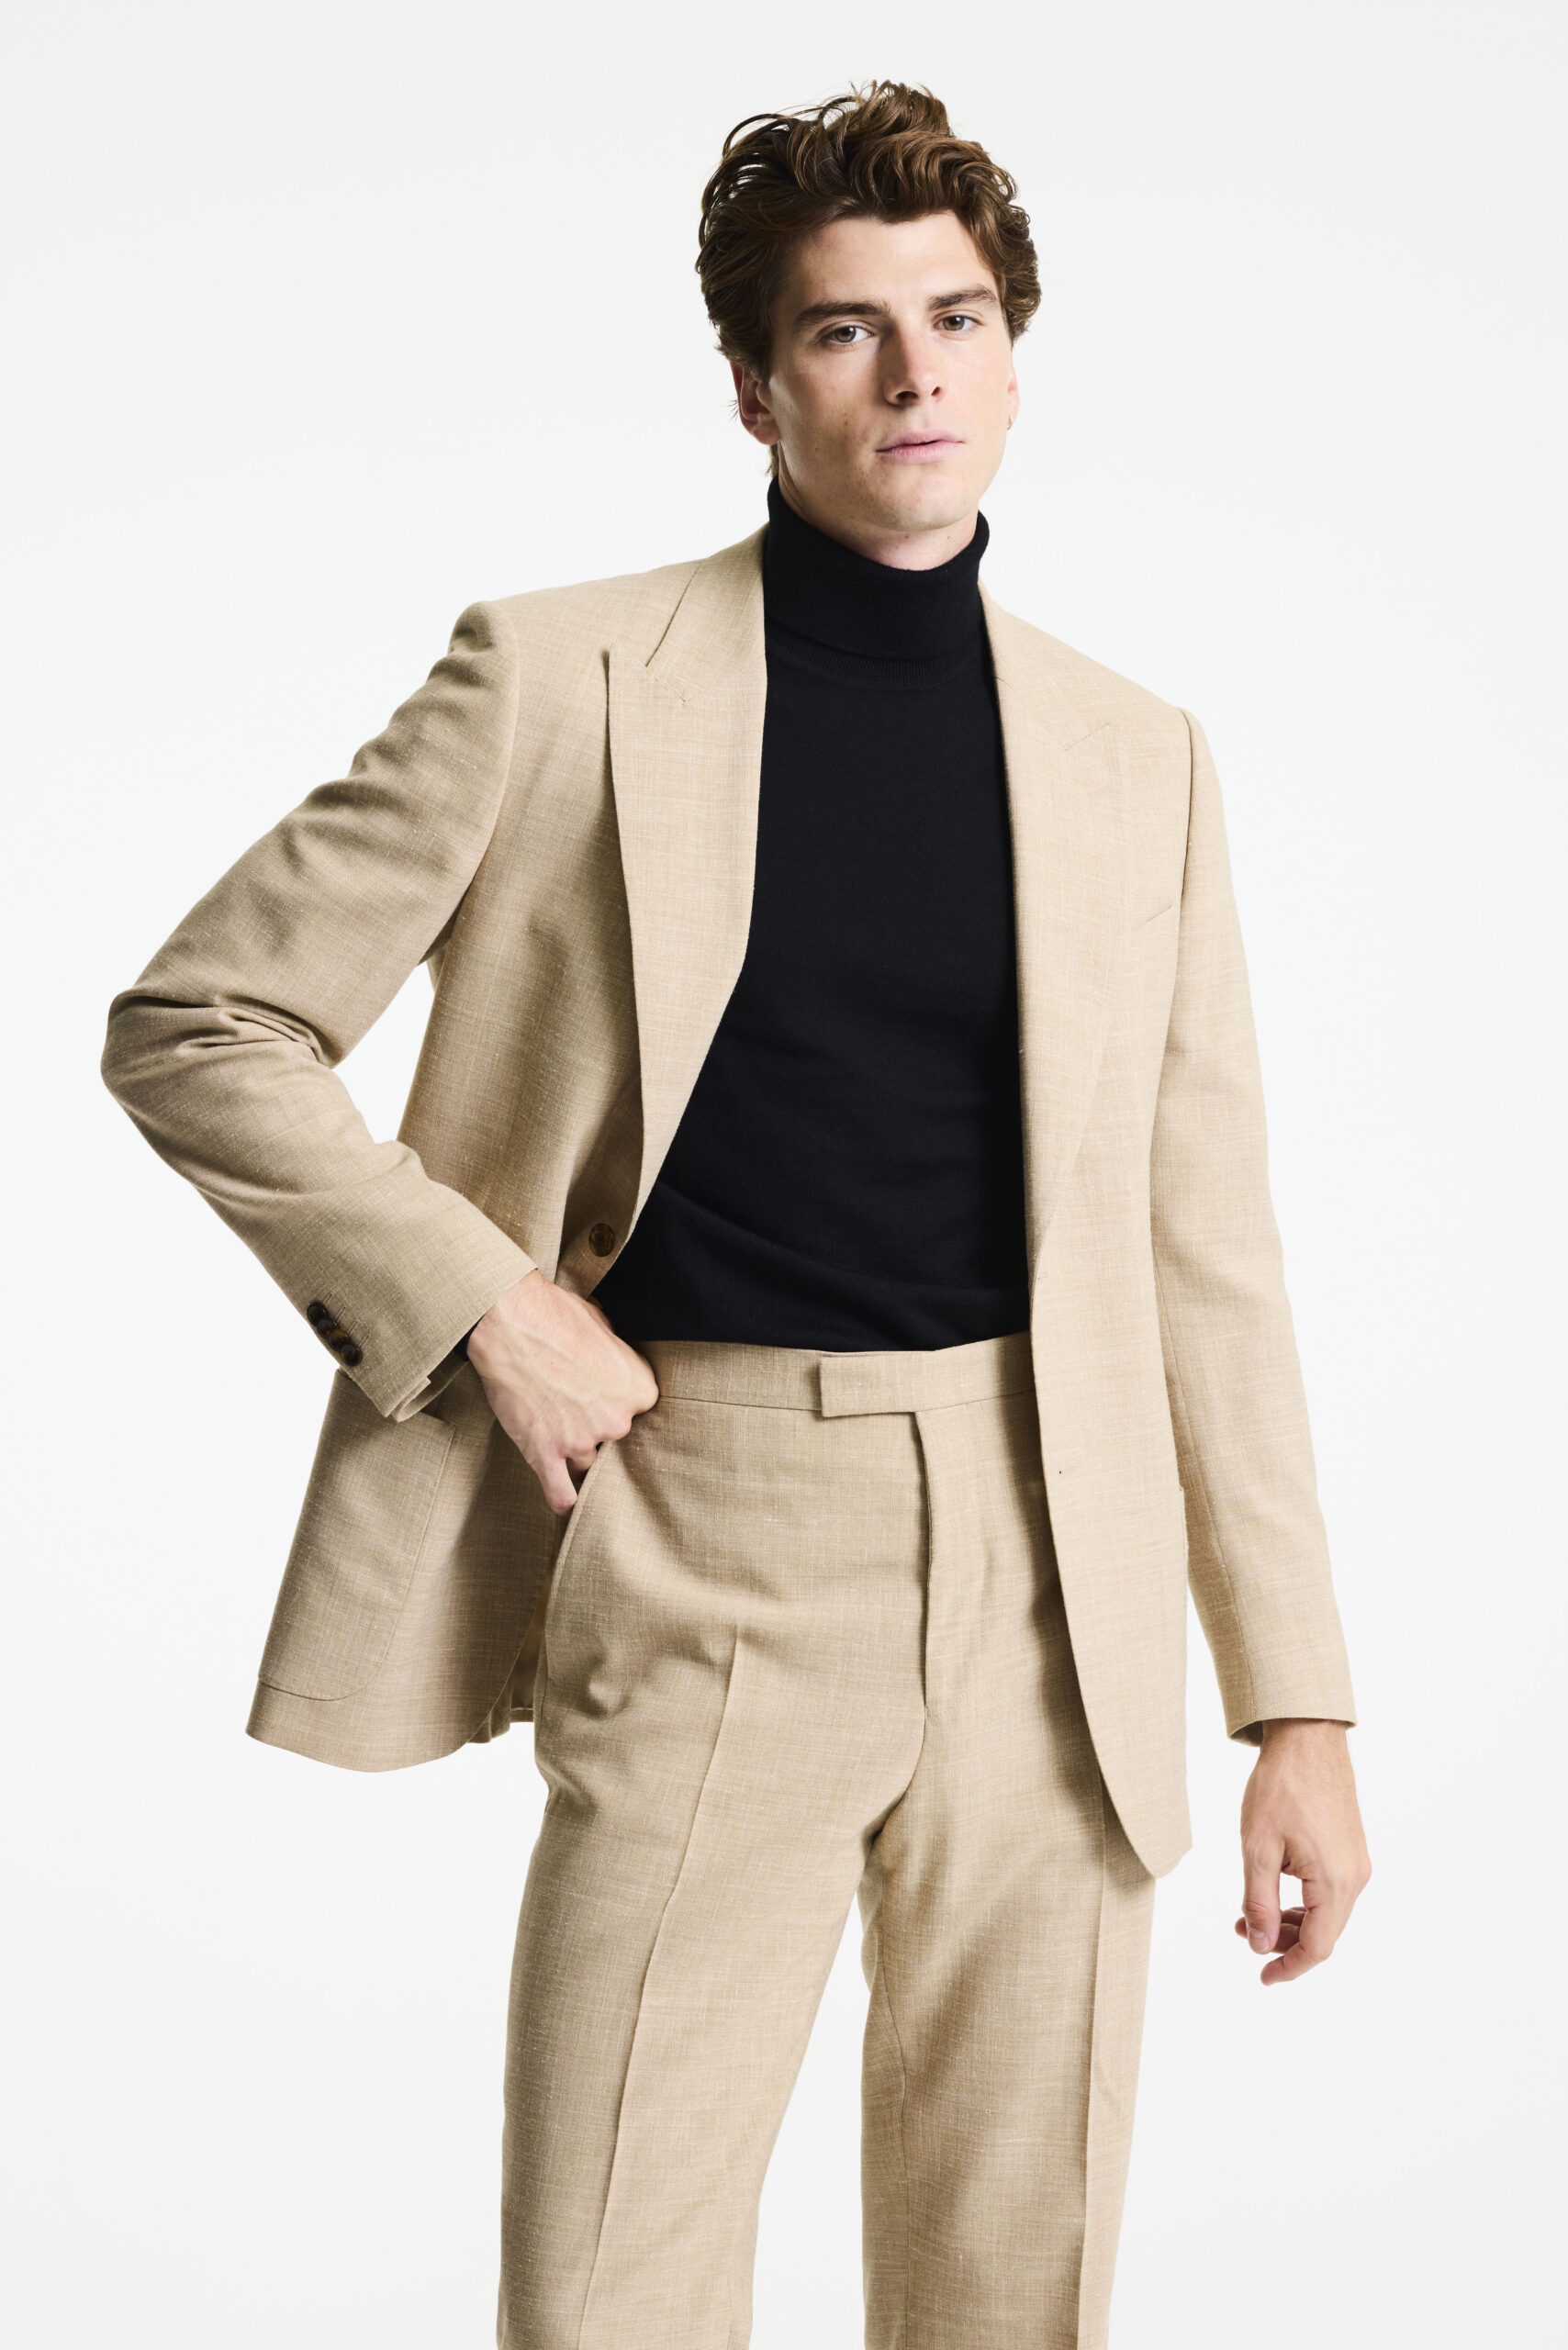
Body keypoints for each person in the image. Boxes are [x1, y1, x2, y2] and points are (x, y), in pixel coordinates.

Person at [103, 80, 1370, 2350]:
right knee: (614, 2282)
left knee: (1013, 2290)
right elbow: (202, 1018)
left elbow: (1206, 1244)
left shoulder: (1133, 752)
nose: (913, 375)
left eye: (956, 320)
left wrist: (1296, 1699)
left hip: (1056, 1574)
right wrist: (481, 1298)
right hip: (706, 1533)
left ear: (1012, 357)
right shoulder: (559, 677)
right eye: (844, 329)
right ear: (754, 384)